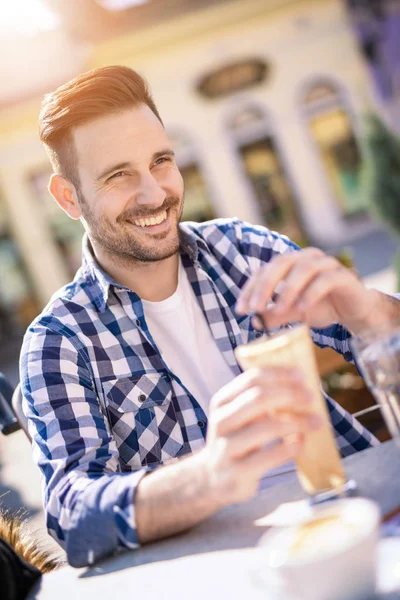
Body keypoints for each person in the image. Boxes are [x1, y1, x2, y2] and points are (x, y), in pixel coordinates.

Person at [20, 65, 399, 568]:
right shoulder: (58, 342)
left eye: (161, 162)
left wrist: (369, 313)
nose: (155, 193)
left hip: (359, 524)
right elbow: (72, 517)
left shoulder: (246, 251)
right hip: (225, 569)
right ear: (69, 197)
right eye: (119, 175)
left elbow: (382, 342)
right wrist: (212, 474)